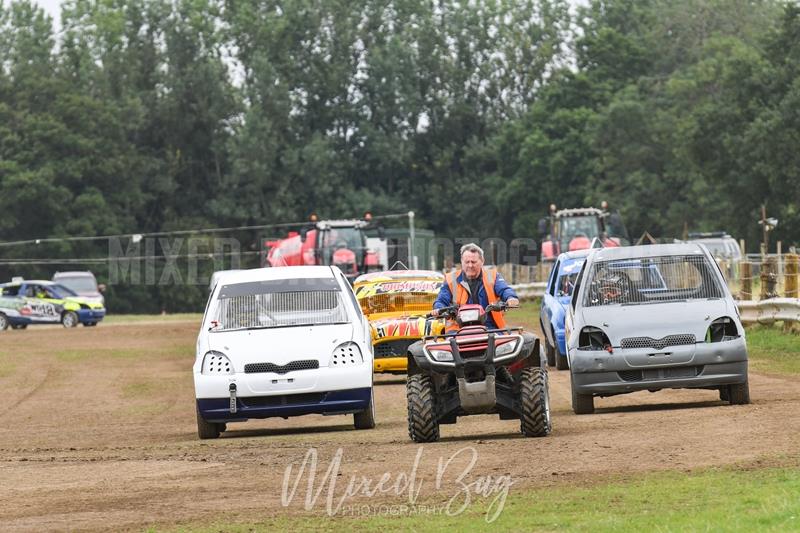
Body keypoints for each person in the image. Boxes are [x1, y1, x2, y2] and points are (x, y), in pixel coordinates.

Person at [433, 243, 520, 330]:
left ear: (482, 261)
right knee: (447, 343)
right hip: (457, 329)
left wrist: (511, 298)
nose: (470, 265)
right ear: (461, 261)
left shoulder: (492, 276)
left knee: (522, 340)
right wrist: (438, 309)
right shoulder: (450, 279)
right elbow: (441, 300)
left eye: (473, 262)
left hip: (490, 327)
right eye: (467, 262)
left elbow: (504, 289)